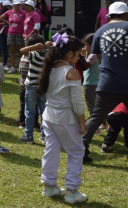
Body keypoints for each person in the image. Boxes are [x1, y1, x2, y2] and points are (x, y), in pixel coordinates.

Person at [82, 1, 128, 163]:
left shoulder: (100, 31)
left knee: (96, 117)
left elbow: (99, 57)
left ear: (109, 16)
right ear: (126, 15)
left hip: (107, 82)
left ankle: (80, 150)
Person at [38, 34, 87, 204]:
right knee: (76, 152)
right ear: (69, 54)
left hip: (49, 116)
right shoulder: (71, 72)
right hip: (65, 118)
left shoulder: (51, 67)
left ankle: (49, 186)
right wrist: (82, 122)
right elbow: (77, 102)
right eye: (78, 53)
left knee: (51, 150)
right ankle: (72, 191)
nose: (80, 56)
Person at [19, 34, 47, 143]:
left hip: (31, 86)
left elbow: (22, 50)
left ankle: (28, 135)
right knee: (43, 112)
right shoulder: (47, 56)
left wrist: (34, 47)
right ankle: (44, 135)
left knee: (29, 111)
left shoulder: (34, 55)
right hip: (42, 86)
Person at [0, 0, 26, 73]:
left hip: (20, 33)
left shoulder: (23, 13)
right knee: (12, 51)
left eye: (19, 4)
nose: (18, 6)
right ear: (13, 5)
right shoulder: (9, 12)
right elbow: (1, 17)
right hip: (11, 33)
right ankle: (12, 67)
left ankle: (21, 67)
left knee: (20, 51)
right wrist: (8, 22)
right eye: (17, 4)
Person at [0, 0, 11, 67]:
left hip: (7, 33)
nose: (10, 7)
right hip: (0, 32)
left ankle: (5, 64)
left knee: (6, 49)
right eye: (9, 6)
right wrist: (2, 24)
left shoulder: (10, 13)